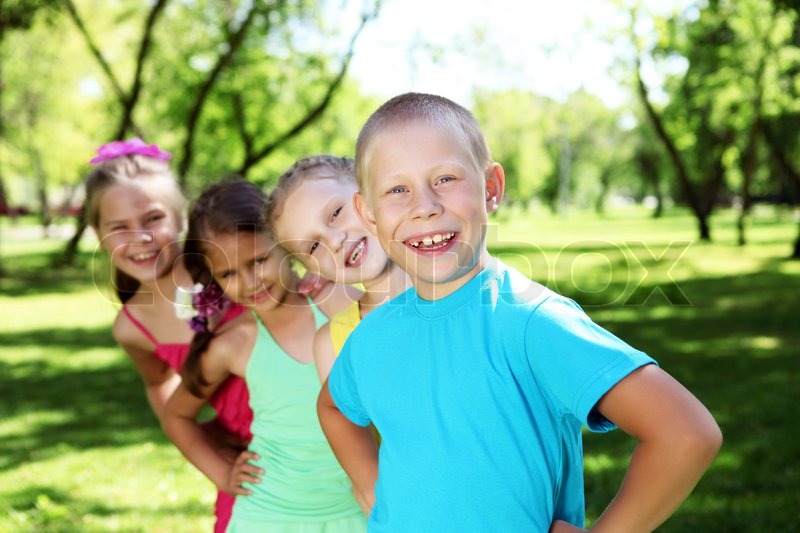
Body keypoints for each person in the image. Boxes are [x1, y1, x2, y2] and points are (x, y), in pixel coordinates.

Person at [317, 93, 723, 532]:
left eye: (446, 178)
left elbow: (686, 434)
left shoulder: (532, 322)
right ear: (368, 213)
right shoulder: (372, 336)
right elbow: (333, 409)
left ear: (491, 188)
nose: (425, 206)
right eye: (398, 190)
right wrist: (370, 486)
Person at [160, 178, 367, 532]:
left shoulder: (338, 301)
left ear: (284, 243)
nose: (249, 280)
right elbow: (176, 415)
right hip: (270, 515)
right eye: (228, 273)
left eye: (258, 260)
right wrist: (223, 474)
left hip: (359, 509)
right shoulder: (235, 343)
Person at [85, 138, 253, 532]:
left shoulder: (226, 268)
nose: (140, 237)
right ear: (98, 233)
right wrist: (210, 455)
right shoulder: (132, 328)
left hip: (315, 433)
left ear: (180, 219)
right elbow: (159, 385)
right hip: (251, 464)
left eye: (153, 219)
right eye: (119, 227)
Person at [267, 155, 410, 383]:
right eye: (314, 246)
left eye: (336, 213)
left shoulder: (464, 284)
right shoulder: (332, 346)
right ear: (314, 270)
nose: (334, 241)